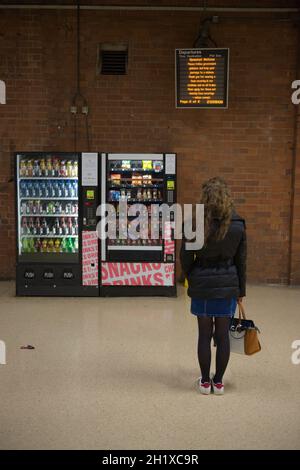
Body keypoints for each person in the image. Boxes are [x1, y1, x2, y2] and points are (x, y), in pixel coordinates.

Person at [180, 177, 246, 395]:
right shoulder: (238, 226)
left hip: (202, 285)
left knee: (204, 335)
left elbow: (186, 257)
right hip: (228, 286)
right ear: (227, 198)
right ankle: (218, 383)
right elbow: (241, 261)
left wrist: (193, 276)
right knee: (223, 336)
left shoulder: (194, 224)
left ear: (204, 199)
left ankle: (205, 382)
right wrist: (241, 292)